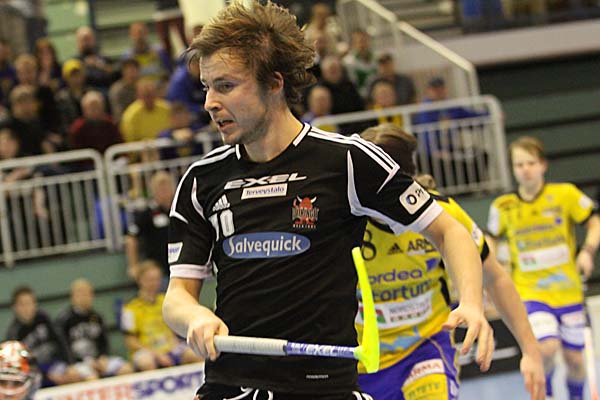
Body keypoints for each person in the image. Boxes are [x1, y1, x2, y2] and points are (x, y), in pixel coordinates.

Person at [162, 2, 493, 399]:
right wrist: (194, 316)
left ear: (274, 83)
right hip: (231, 386)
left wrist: (471, 303)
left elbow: (449, 231)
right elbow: (176, 297)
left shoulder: (347, 161)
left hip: (322, 388)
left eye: (226, 86)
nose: (210, 102)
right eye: (206, 87)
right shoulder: (200, 181)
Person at [357, 124, 545, 400]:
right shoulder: (343, 221)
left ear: (407, 182)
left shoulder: (442, 214)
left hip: (425, 348)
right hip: (361, 363)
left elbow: (495, 277)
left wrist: (531, 351)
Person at [487, 136, 600, 400]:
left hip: (568, 291)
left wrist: (587, 252)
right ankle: (546, 394)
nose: (525, 170)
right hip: (530, 293)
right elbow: (490, 241)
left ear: (542, 165)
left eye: (530, 163)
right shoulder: (503, 206)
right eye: (519, 165)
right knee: (546, 348)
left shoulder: (565, 194)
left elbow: (594, 223)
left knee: (575, 360)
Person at [121, 261, 202, 371]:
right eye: (150, 279)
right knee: (146, 362)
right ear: (140, 280)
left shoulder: (166, 300)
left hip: (170, 346)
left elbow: (177, 328)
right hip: (146, 351)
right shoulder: (129, 308)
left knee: (195, 354)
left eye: (157, 279)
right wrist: (156, 354)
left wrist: (175, 342)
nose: (154, 283)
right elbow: (130, 341)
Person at [5, 286, 84, 387]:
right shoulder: (14, 333)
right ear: (15, 307)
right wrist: (46, 375)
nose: (27, 308)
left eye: (29, 303)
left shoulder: (44, 318)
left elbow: (61, 342)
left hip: (56, 364)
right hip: (37, 375)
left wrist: (70, 364)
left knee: (81, 375)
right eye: (22, 304)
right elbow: (19, 367)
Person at [56, 279, 133, 379]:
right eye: (80, 294)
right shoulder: (64, 319)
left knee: (126, 369)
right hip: (78, 362)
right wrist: (80, 362)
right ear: (73, 297)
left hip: (98, 360)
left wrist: (103, 357)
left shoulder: (97, 317)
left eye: (87, 293)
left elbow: (104, 342)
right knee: (91, 377)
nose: (84, 297)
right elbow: (63, 346)